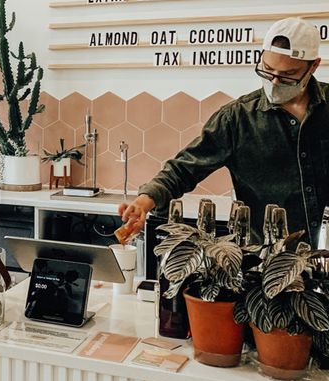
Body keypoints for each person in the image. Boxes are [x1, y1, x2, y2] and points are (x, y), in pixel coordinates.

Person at [118, 16, 329, 245]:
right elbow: (183, 169)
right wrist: (144, 201)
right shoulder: (237, 118)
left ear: (313, 66)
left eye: (288, 76)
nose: (275, 82)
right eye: (267, 70)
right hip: (269, 263)